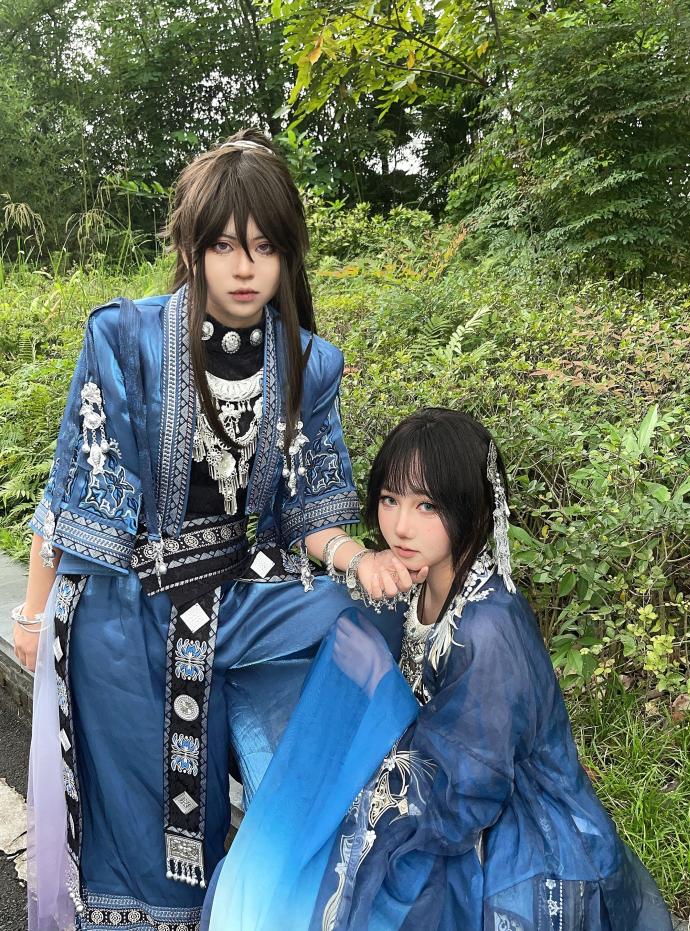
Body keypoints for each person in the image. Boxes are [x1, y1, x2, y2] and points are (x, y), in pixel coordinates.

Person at [14, 129, 423, 931]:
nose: (245, 268)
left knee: (371, 619)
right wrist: (34, 614)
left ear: (287, 256)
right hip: (131, 603)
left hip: (244, 587)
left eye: (265, 248)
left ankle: (334, 848)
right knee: (139, 835)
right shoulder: (124, 340)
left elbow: (311, 508)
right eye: (226, 246)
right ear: (192, 247)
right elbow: (75, 496)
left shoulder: (309, 363)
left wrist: (355, 557)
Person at [204, 408, 673, 931]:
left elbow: (471, 784)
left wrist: (374, 722)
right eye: (390, 500)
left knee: (326, 876)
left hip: (512, 826)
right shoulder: (421, 579)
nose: (400, 526)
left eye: (426, 505)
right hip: (440, 780)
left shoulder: (488, 626)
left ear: (471, 506)